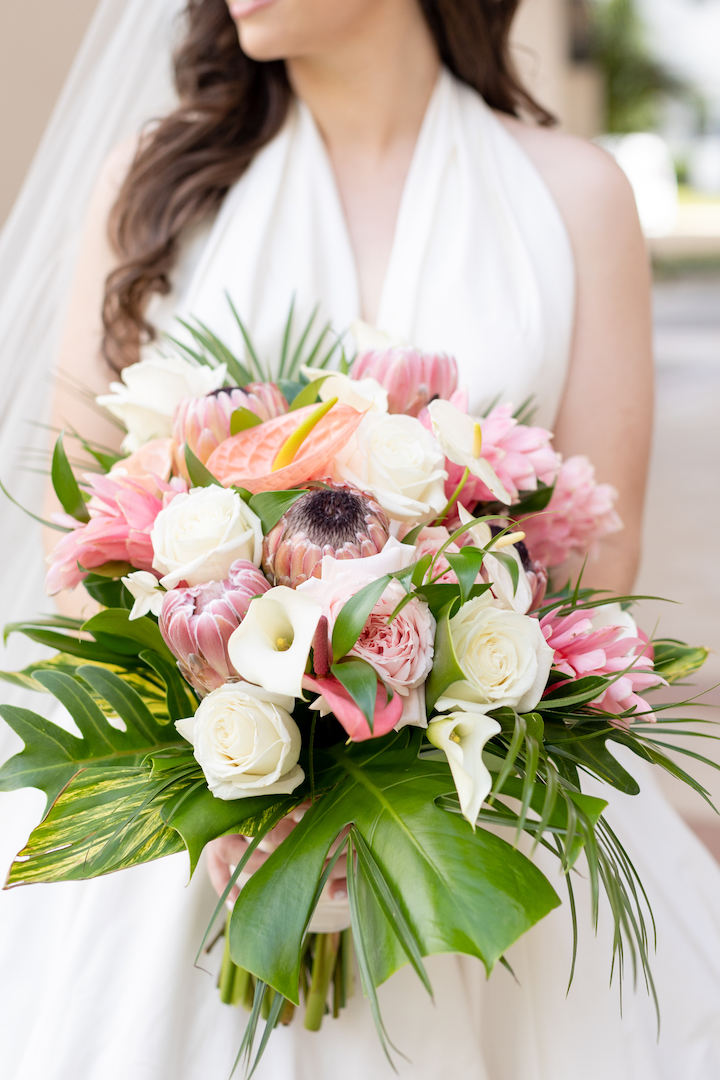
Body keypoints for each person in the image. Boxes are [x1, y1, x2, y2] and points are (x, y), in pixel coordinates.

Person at [1, 1, 720, 1078]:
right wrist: (243, 763)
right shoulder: (155, 191)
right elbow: (84, 541)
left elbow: (597, 569)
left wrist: (408, 740)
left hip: (489, 813)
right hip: (201, 839)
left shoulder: (575, 195)